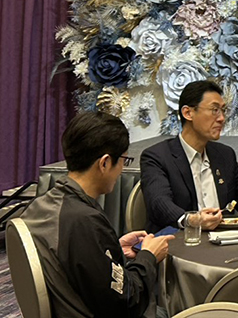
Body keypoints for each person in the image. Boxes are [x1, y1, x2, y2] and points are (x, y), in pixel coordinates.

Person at [20, 112, 174, 318]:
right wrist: (149, 257)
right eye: (124, 160)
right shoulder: (84, 221)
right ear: (104, 163)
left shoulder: (41, 205)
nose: (122, 169)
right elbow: (127, 303)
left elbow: (75, 261)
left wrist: (112, 249)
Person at [140, 79, 238, 231]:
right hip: (177, 241)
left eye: (223, 110)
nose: (221, 118)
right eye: (214, 110)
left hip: (221, 241)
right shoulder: (157, 157)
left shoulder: (224, 155)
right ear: (188, 113)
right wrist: (191, 220)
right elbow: (159, 203)